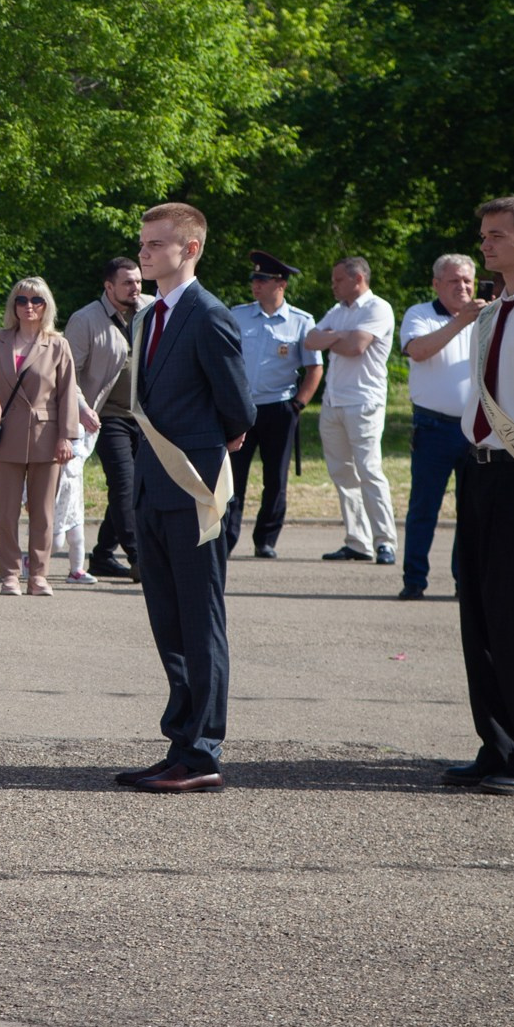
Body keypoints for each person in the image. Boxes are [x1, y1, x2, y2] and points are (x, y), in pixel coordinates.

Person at [114, 202, 255, 794]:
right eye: (143, 244)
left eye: (156, 244)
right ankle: (180, 741)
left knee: (200, 622)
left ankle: (203, 752)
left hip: (195, 489)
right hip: (153, 485)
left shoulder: (208, 315)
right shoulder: (152, 315)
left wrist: (205, 448)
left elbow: (239, 409)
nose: (144, 253)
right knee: (168, 621)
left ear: (189, 249)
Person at [447, 196, 514, 796]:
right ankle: (497, 743)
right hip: (478, 470)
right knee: (478, 609)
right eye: (483, 235)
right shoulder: (490, 311)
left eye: (498, 234)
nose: (486, 244)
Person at [0, 277, 79, 597]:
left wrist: (67, 437)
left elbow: (67, 394)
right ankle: (10, 574)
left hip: (46, 436)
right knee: (5, 513)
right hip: (5, 434)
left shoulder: (57, 344)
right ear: (14, 305)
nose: (28, 307)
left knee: (43, 513)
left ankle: (38, 575)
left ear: (46, 306)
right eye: (21, 300)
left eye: (36, 301)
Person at [224, 252, 322, 561]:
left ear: (281, 284)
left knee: (275, 479)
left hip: (279, 408)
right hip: (241, 409)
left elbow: (314, 368)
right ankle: (226, 538)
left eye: (262, 280)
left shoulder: (301, 322)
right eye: (254, 279)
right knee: (231, 478)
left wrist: (298, 404)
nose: (255, 284)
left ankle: (265, 539)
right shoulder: (236, 315)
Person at [399, 253, 484, 600]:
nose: (462, 287)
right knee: (424, 507)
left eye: (467, 280)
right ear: (436, 284)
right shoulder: (420, 314)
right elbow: (418, 351)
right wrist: (460, 322)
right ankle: (414, 580)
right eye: (453, 281)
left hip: (476, 429)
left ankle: (464, 581)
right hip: (433, 426)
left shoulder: (489, 314)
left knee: (472, 511)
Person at [309, 256, 398, 565]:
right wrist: (339, 335)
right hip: (333, 402)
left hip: (363, 402)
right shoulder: (338, 311)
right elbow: (309, 340)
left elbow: (356, 347)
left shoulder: (377, 308)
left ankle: (385, 541)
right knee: (342, 474)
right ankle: (357, 541)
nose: (333, 286)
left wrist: (333, 338)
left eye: (338, 280)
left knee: (369, 471)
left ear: (358, 279)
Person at [67, 258, 143, 582]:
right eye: (128, 282)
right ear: (108, 286)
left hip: (145, 416)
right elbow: (65, 374)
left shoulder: (151, 312)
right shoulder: (85, 320)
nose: (136, 288)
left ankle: (101, 556)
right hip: (104, 416)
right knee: (124, 484)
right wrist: (82, 408)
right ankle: (141, 557)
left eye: (138, 281)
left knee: (136, 485)